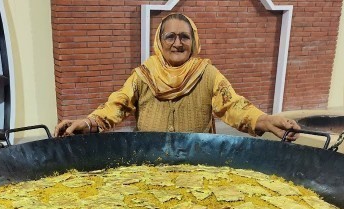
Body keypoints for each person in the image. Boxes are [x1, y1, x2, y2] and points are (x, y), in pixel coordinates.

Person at [54, 13, 300, 140]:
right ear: (159, 42)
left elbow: (234, 106)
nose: (178, 43)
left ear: (194, 41)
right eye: (170, 37)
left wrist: (266, 121)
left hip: (198, 162)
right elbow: (115, 106)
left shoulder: (207, 74)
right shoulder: (143, 75)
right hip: (149, 163)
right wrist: (87, 123)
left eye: (185, 36)